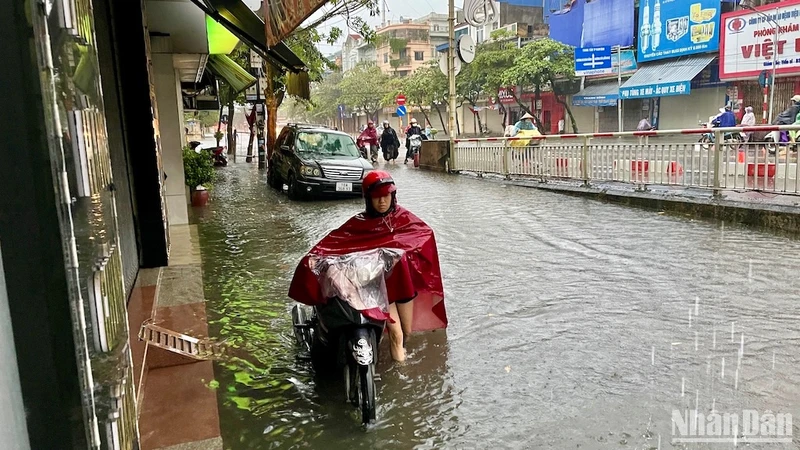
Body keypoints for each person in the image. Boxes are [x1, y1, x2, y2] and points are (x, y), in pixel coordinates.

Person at [288, 171, 448, 362]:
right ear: (368, 199)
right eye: (377, 197)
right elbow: (333, 244)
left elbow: (424, 236)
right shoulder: (358, 224)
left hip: (401, 289)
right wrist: (314, 260)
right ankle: (398, 369)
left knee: (405, 334)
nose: (382, 201)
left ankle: (401, 372)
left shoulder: (404, 219)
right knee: (396, 337)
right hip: (372, 287)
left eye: (386, 196)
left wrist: (404, 256)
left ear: (393, 196)